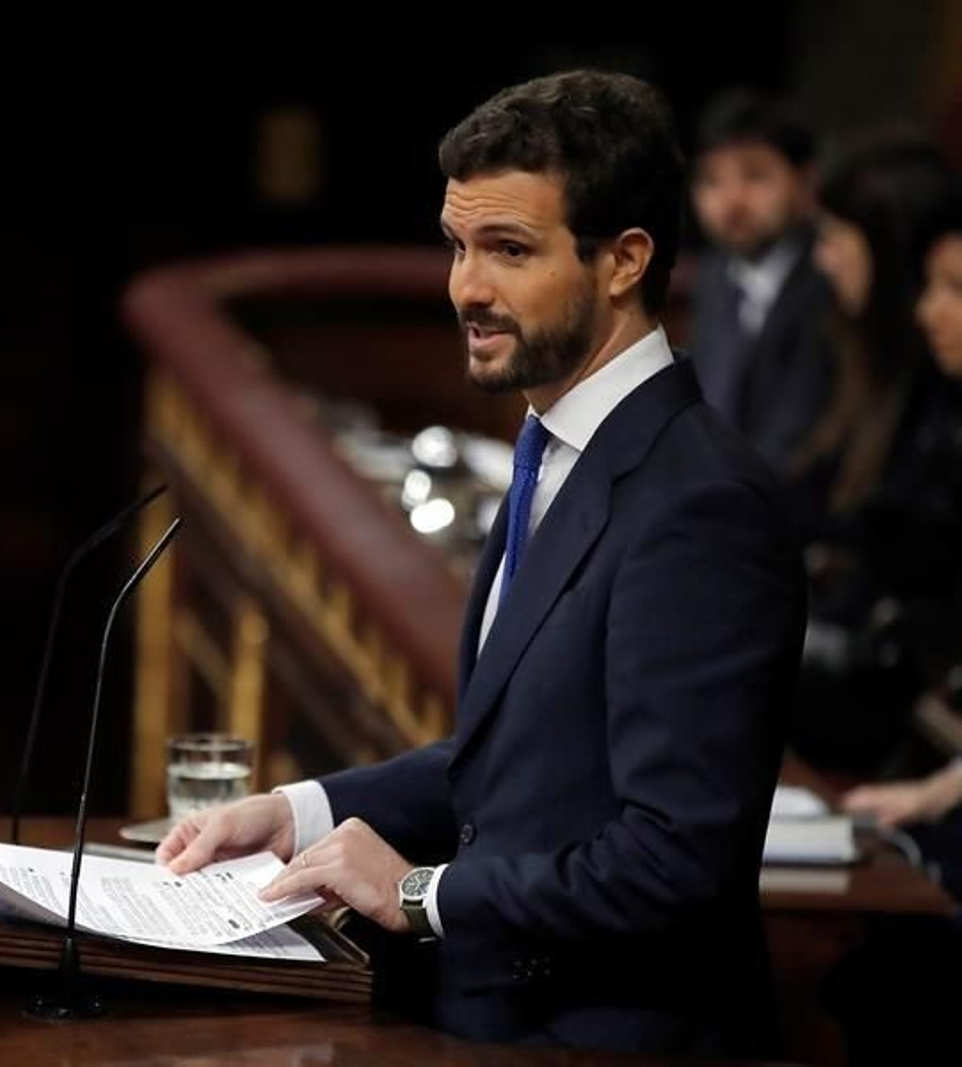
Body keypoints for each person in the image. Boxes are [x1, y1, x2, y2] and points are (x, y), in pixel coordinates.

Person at [157, 69, 807, 1057]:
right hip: (495, 1017)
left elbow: (676, 859)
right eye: (458, 247)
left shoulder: (699, 503)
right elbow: (516, 766)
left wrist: (418, 891)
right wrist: (295, 811)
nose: (465, 287)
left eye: (508, 249)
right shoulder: (554, 447)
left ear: (623, 259)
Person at [785, 137, 962, 775]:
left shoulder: (938, 395)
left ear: (886, 253)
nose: (822, 259)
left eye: (835, 237)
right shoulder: (856, 353)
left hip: (893, 713)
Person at [686, 88, 834, 474]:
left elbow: (799, 439)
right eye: (711, 181)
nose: (731, 201)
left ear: (806, 184)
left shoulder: (830, 279)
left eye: (755, 175)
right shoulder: (714, 275)